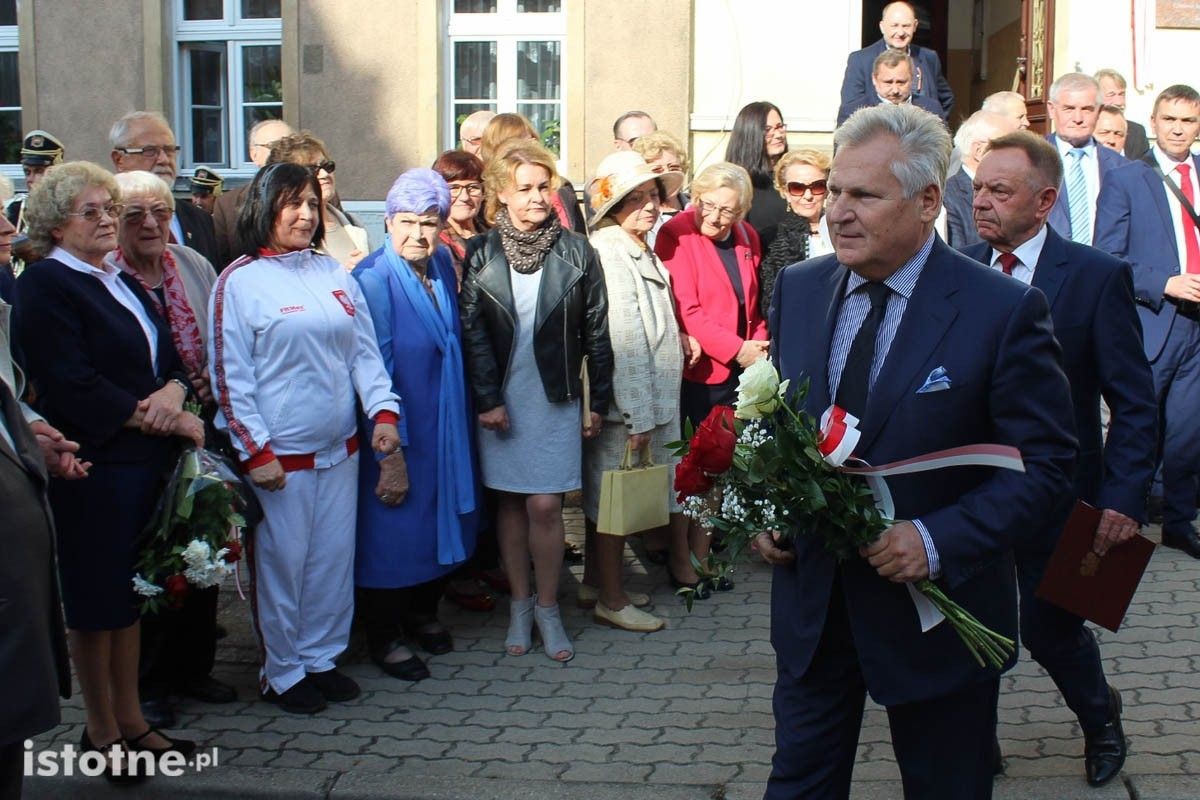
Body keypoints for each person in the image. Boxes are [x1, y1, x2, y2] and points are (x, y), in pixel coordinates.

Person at [758, 103, 1077, 800]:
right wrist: (770, 510)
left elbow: (1048, 466)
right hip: (815, 614)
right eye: (835, 190)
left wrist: (937, 539)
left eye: (863, 195)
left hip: (938, 618)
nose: (837, 212)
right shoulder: (801, 289)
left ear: (928, 200)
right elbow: (784, 425)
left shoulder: (1002, 310)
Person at [964, 131, 1157, 786]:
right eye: (978, 188)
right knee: (973, 624)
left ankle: (1101, 717)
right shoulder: (959, 269)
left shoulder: (1096, 277)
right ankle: (972, 739)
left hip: (1061, 496)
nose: (981, 202)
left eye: (1000, 190)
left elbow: (1133, 402)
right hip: (971, 494)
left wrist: (1124, 500)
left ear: (1044, 201)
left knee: (1051, 629)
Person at [14, 161, 206, 781]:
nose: (105, 222)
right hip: (93, 464)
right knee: (98, 603)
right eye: (91, 212)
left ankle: (132, 720)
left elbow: (170, 351)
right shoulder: (48, 283)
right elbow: (70, 383)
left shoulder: (116, 278)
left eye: (108, 209)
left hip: (142, 462)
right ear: (55, 224)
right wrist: (156, 417)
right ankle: (101, 732)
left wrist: (176, 393)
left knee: (129, 599)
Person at [209, 162, 401, 714]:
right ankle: (284, 670)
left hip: (340, 451)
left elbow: (364, 353)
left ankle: (320, 657)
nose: (303, 214)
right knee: (283, 568)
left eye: (312, 204)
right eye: (291, 203)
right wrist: (255, 451)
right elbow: (229, 377)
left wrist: (383, 413)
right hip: (280, 462)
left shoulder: (333, 273)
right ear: (264, 208)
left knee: (330, 564)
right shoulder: (239, 282)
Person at [459, 140, 613, 662]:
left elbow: (597, 331)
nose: (537, 197)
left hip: (555, 397)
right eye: (524, 188)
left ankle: (549, 607)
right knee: (509, 502)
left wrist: (599, 402)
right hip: (503, 399)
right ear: (501, 194)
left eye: (544, 186)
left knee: (546, 504)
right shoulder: (481, 251)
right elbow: (473, 333)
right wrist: (486, 398)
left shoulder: (576, 250)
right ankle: (519, 605)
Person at [105, 170, 234, 729]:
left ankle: (193, 666)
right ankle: (150, 683)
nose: (152, 224)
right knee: (151, 557)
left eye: (160, 211)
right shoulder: (107, 276)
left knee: (201, 542)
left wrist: (205, 381)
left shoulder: (193, 265)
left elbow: (219, 334)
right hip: (141, 432)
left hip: (200, 424)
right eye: (135, 215)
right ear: (116, 222)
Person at [352, 168, 480, 680]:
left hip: (445, 424)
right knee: (392, 528)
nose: (417, 234)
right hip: (398, 429)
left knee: (436, 517)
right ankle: (383, 635)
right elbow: (373, 369)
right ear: (387, 221)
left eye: (428, 222)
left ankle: (421, 613)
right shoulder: (373, 279)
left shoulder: (444, 261)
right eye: (405, 222)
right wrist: (392, 451)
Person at [580, 151, 687, 633]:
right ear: (612, 205)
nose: (651, 206)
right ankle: (613, 597)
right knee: (612, 504)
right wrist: (637, 416)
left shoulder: (637, 246)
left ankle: (599, 586)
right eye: (636, 198)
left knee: (611, 499)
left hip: (646, 403)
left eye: (653, 196)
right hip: (632, 408)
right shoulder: (611, 251)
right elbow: (623, 339)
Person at [1095, 84, 1200, 560]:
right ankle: (1122, 524)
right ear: (1153, 123)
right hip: (1154, 321)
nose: (1179, 129)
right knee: (1136, 429)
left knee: (1187, 430)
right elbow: (1108, 257)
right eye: (1170, 119)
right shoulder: (1128, 178)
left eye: (1188, 120)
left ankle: (1179, 523)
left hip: (1196, 328)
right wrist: (1164, 283)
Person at [655, 161, 768, 595]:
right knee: (691, 469)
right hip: (698, 370)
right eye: (709, 205)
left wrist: (757, 345)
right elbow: (688, 310)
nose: (716, 218)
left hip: (738, 369)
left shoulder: (747, 236)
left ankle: (703, 556)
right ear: (695, 197)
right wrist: (737, 349)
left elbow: (752, 307)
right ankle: (680, 560)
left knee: (719, 467)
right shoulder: (677, 233)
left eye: (728, 211)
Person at [110, 112, 220, 269]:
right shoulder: (105, 219)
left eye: (169, 150)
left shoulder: (199, 219)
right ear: (119, 159)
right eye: (149, 151)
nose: (164, 160)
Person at [267, 131, 369, 271]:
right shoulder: (290, 234)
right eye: (312, 169)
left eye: (327, 166)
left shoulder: (353, 223)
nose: (325, 174)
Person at [838, 1, 954, 124]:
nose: (900, 32)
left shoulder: (929, 57)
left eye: (906, 26)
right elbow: (851, 107)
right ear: (882, 27)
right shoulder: (860, 60)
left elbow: (945, 98)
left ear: (915, 26)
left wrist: (934, 125)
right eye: (895, 25)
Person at [1044, 73, 1127, 245]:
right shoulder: (1030, 159)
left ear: (1099, 112)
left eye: (1087, 109)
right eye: (1069, 108)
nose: (1078, 119)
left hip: (1104, 265)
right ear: (1052, 109)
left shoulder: (1120, 167)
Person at [479, 113, 586, 234]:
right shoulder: (479, 198)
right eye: (524, 189)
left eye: (533, 139)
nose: (538, 198)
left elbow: (578, 233)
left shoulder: (562, 188)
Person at [760, 149, 832, 320]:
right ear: (785, 192)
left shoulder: (846, 231)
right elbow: (769, 303)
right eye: (798, 188)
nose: (808, 196)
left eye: (817, 186)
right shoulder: (771, 240)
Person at [212, 118, 293, 269]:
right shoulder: (227, 205)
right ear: (254, 154)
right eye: (274, 146)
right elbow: (222, 262)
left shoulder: (318, 196)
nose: (284, 153)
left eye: (290, 145)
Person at [944, 111, 1016, 249]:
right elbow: (957, 258)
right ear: (979, 151)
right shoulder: (947, 197)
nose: (1017, 156)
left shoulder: (1015, 193)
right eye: (1008, 147)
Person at [724, 101, 788, 253]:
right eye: (768, 130)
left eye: (780, 127)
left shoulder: (791, 178)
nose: (778, 135)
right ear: (750, 134)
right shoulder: (735, 184)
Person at [836, 49, 944, 125]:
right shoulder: (851, 112)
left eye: (901, 82)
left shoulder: (932, 109)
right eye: (888, 82)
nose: (895, 90)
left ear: (911, 79)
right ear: (874, 79)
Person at [432, 149, 488, 281]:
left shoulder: (492, 234)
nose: (464, 197)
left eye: (473, 187)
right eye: (454, 188)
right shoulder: (435, 241)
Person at [633, 130, 691, 247]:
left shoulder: (698, 208)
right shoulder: (637, 214)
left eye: (673, 167)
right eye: (657, 170)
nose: (667, 174)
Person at [5, 129, 65, 233]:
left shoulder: (69, 208)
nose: (30, 179)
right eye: (27, 172)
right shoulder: (16, 209)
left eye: (39, 171)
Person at [1095, 68, 1150, 159]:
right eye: (1111, 95)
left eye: (1121, 94)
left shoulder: (1137, 133)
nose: (1119, 102)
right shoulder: (1085, 131)